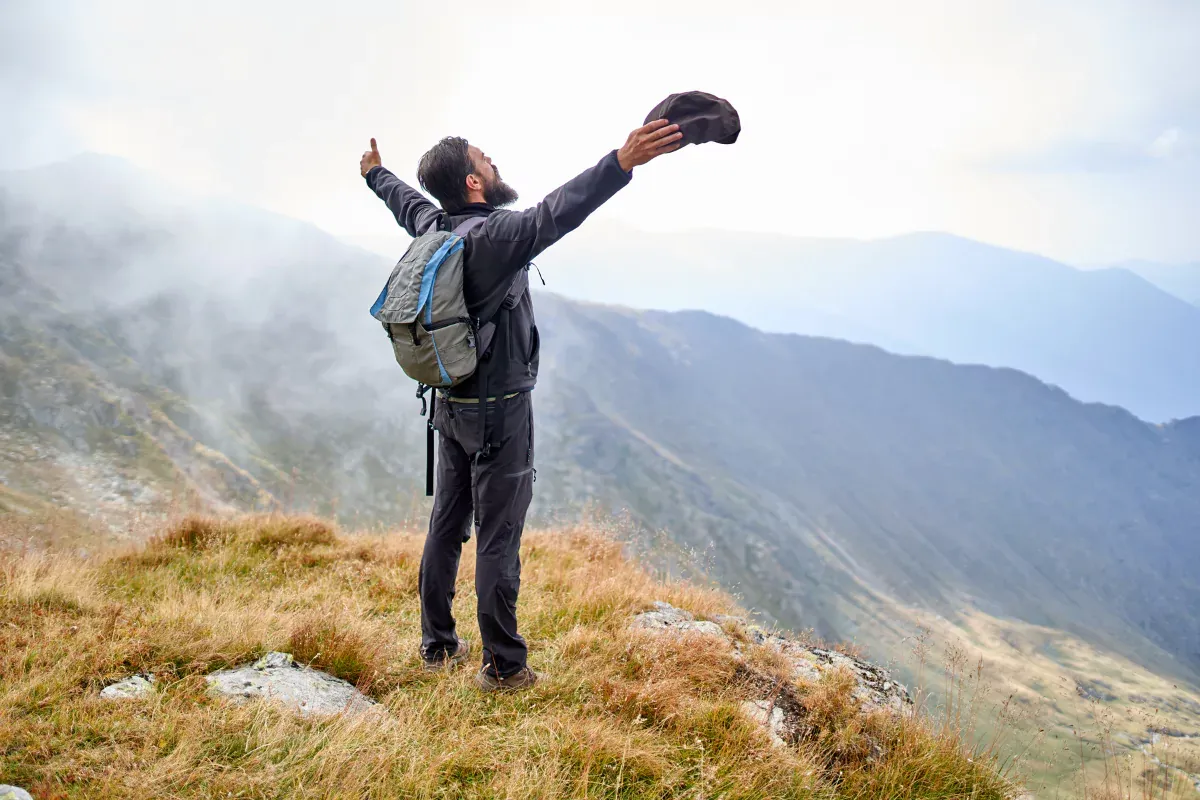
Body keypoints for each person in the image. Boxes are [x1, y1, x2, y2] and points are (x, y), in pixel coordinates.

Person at [360, 119, 683, 691]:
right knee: (497, 536)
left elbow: (404, 202)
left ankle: (437, 645)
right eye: (487, 160)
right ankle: (504, 667)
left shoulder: (433, 226)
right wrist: (622, 161)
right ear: (473, 181)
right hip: (500, 412)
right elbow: (557, 212)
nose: (495, 165)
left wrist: (375, 175)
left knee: (445, 526)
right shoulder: (497, 237)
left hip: (448, 404)